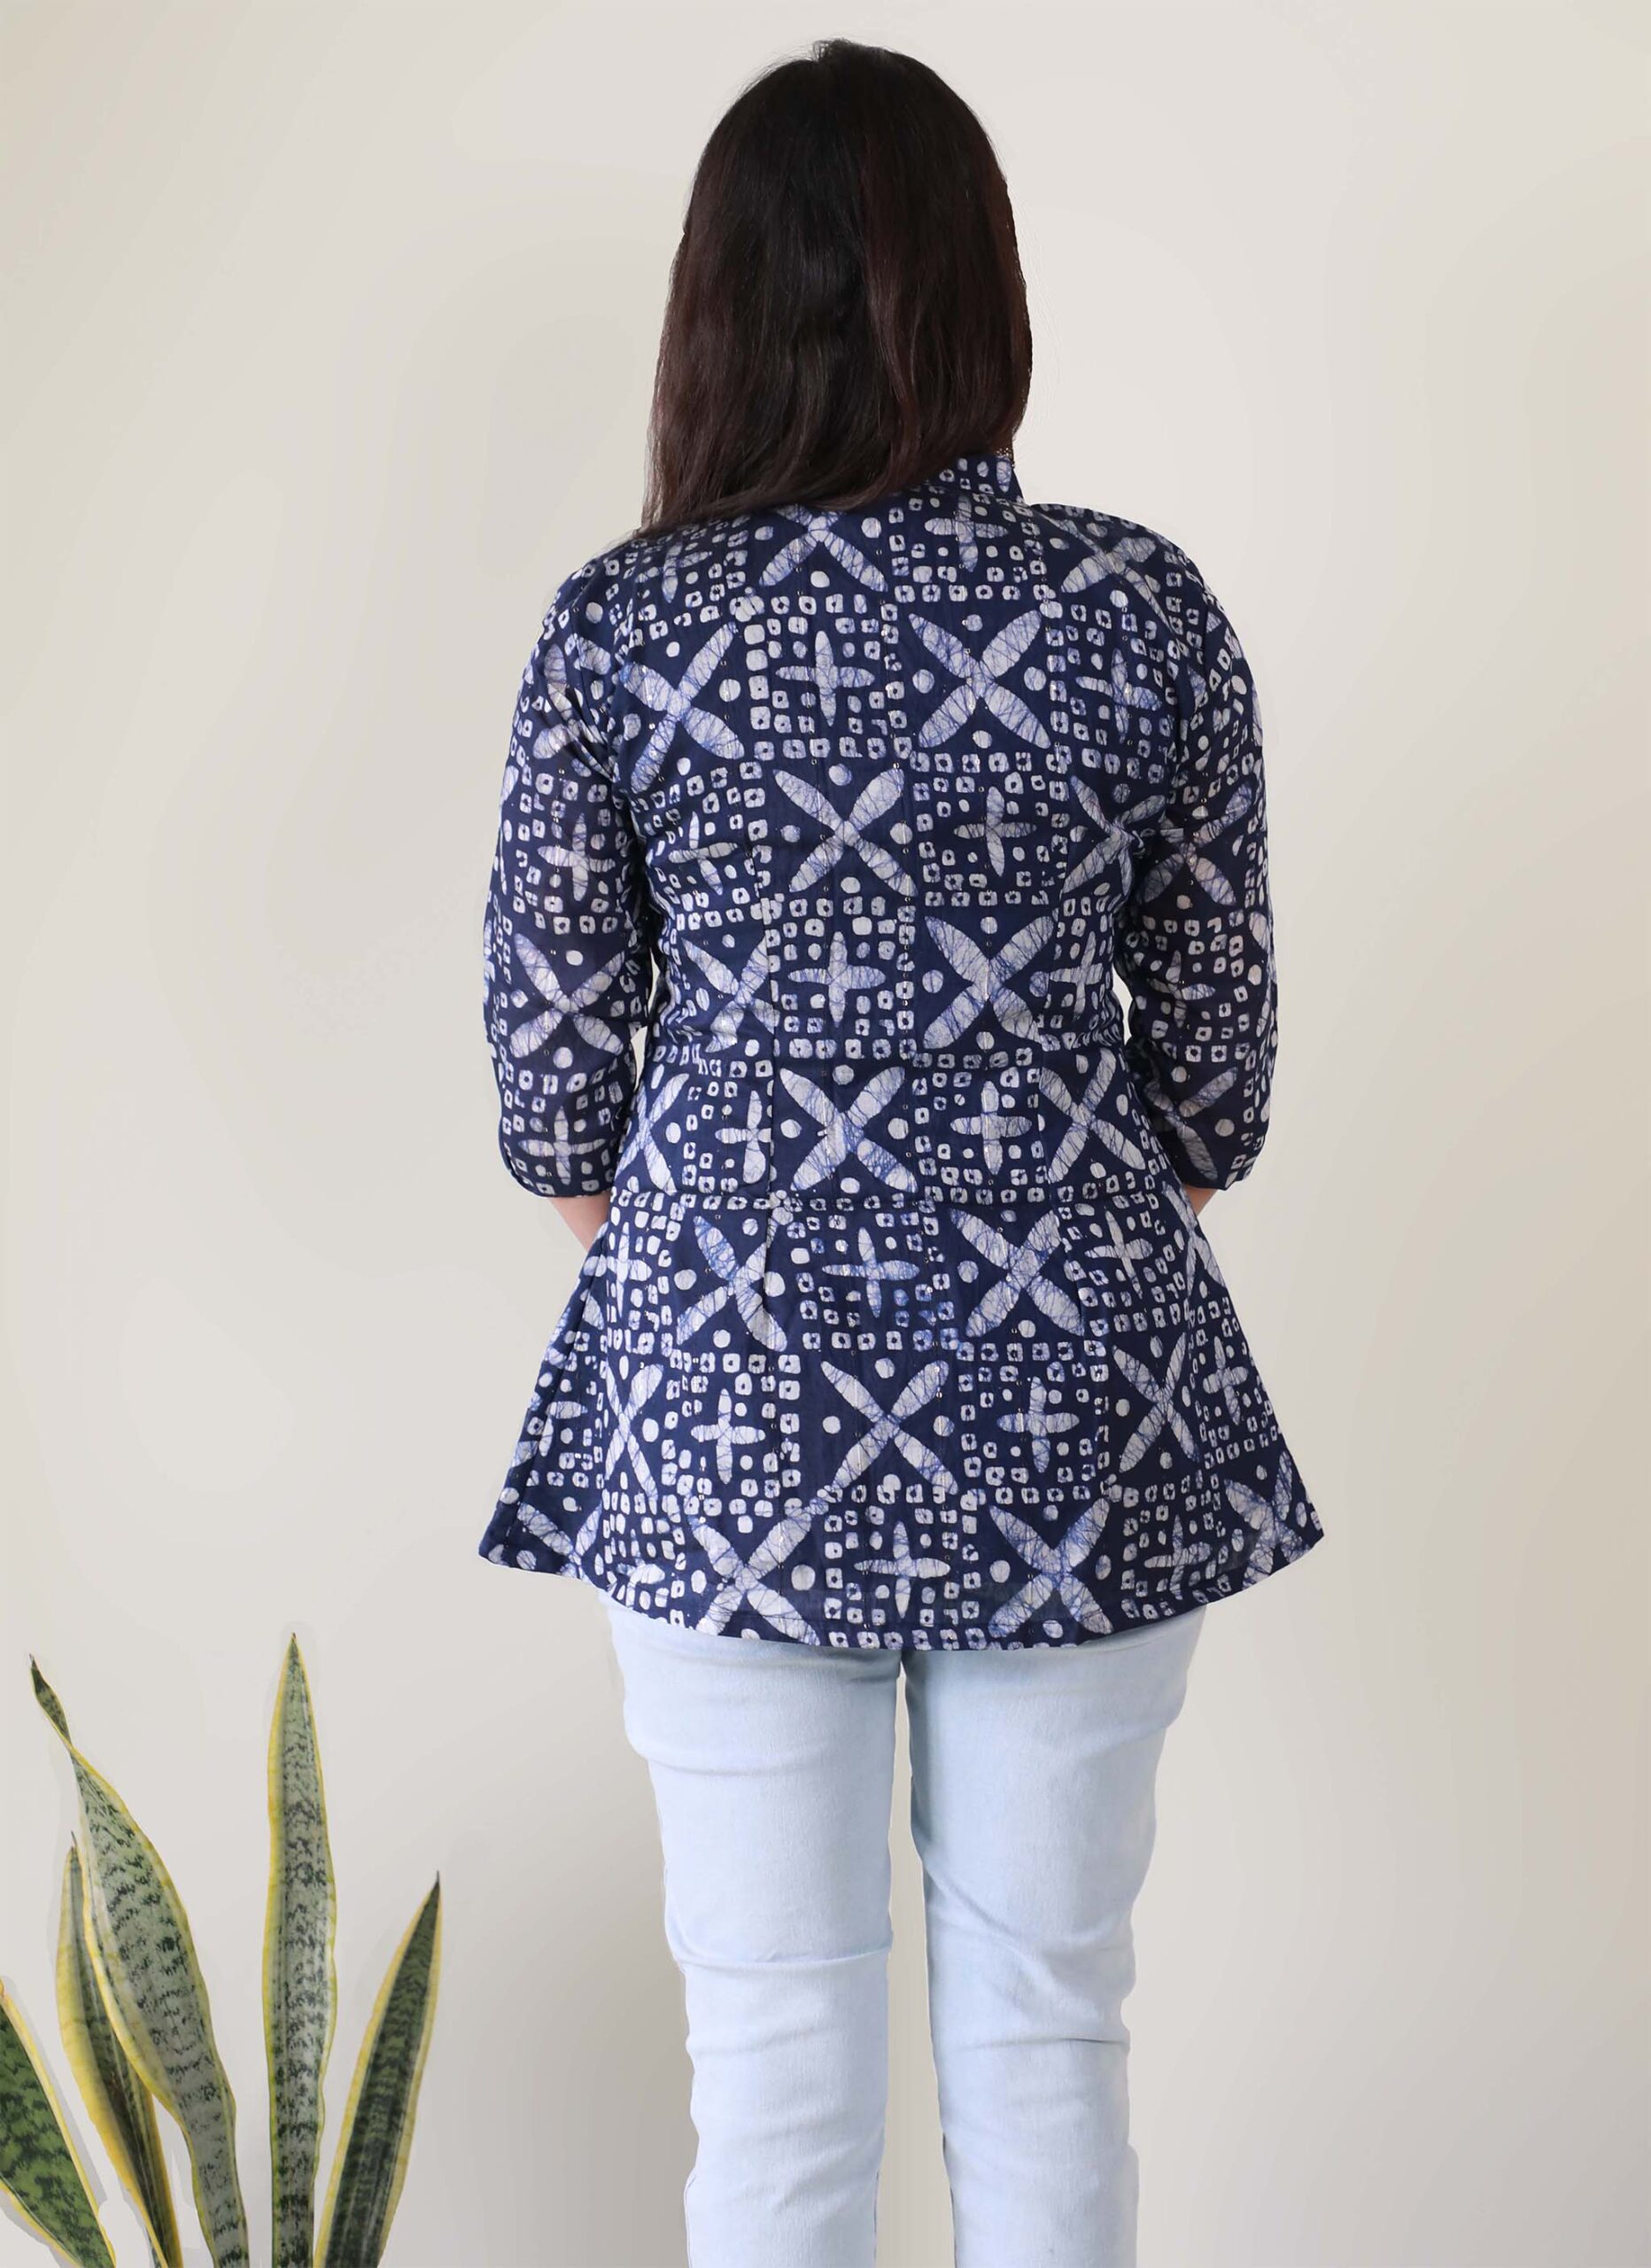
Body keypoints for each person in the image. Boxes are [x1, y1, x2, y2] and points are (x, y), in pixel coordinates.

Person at [478, 37, 1324, 2268]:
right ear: (982, 289)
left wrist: (731, 1232)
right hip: (1070, 1403)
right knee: (1048, 2041)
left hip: (728, 1404)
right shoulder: (1139, 609)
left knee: (770, 2070)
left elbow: (552, 1100)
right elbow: (1214, 1086)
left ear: (713, 309)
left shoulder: (621, 634)